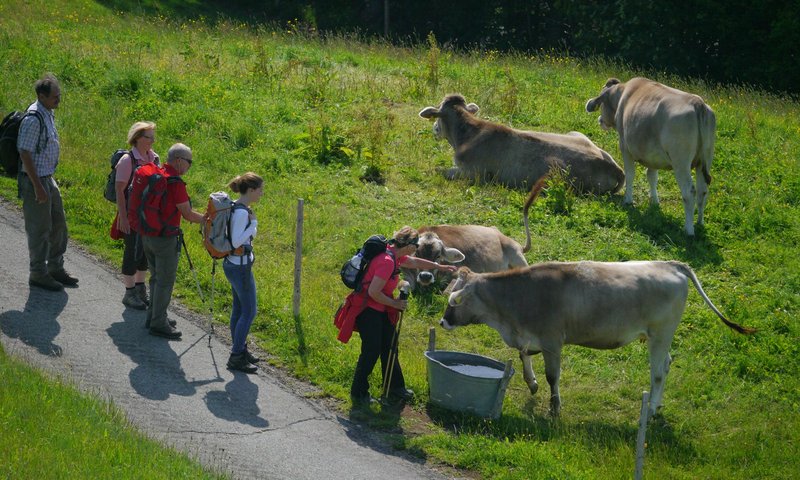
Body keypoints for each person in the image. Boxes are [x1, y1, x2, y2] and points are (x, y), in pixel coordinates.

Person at [348, 226, 457, 407]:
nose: (416, 249)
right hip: (368, 310)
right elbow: (374, 292)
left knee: (390, 346)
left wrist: (440, 266)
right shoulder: (387, 261)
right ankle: (358, 393)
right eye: (415, 245)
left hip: (381, 308)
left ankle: (394, 387)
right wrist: (396, 304)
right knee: (371, 350)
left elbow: (415, 263)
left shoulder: (394, 254)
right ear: (408, 245)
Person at [17, 73, 78, 291]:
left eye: (59, 95)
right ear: (42, 96)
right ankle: (38, 273)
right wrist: (38, 187)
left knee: (58, 224)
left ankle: (55, 268)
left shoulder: (47, 113)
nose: (58, 100)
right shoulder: (34, 118)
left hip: (47, 178)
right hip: (36, 181)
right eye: (55, 97)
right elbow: (25, 153)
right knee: (39, 230)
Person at [138, 143, 204, 340]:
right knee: (165, 282)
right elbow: (188, 214)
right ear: (178, 160)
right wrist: (209, 219)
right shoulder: (175, 183)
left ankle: (154, 316)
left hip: (147, 235)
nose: (189, 166)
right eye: (188, 162)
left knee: (156, 277)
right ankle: (158, 323)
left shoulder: (156, 173)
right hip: (165, 239)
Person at [222, 172, 265, 373]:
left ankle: (240, 349)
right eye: (260, 190)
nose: (261, 194)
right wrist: (254, 223)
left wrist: (252, 223)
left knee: (239, 310)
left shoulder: (238, 207)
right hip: (239, 267)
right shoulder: (240, 212)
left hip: (234, 264)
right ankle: (236, 355)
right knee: (249, 312)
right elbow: (238, 241)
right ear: (251, 190)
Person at [115, 122, 159, 310]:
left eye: (152, 136)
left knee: (145, 254)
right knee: (131, 252)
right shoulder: (127, 160)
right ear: (138, 138)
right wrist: (123, 218)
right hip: (131, 215)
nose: (152, 140)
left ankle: (140, 289)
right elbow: (119, 191)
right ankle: (129, 292)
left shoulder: (154, 158)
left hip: (148, 215)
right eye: (148, 137)